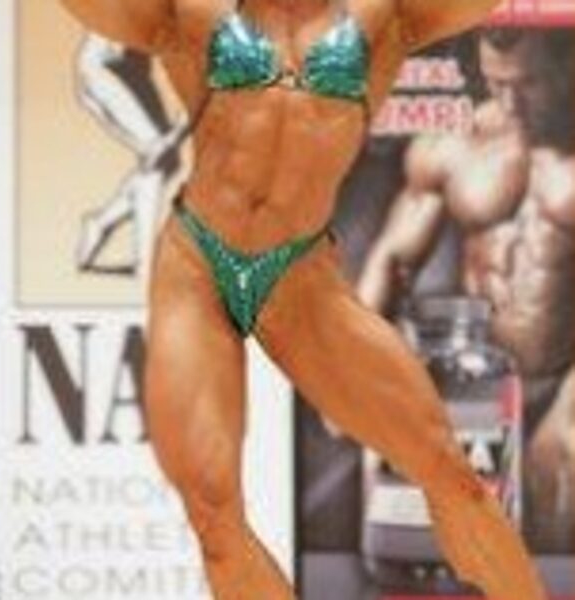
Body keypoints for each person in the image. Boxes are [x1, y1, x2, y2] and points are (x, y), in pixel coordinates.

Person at [60, 1, 547, 598]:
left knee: (450, 473)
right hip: (198, 267)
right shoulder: (193, 8)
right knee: (214, 516)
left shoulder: (383, 13)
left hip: (299, 275)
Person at [358, 27, 575, 552]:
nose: (511, 101)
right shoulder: (455, 145)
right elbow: (393, 259)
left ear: (567, 68)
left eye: (528, 84)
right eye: (497, 83)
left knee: (554, 504)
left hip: (564, 376)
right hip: (472, 374)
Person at [75, 33, 187, 280]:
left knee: (167, 161)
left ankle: (101, 223)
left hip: (123, 69)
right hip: (103, 68)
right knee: (156, 157)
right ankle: (145, 264)